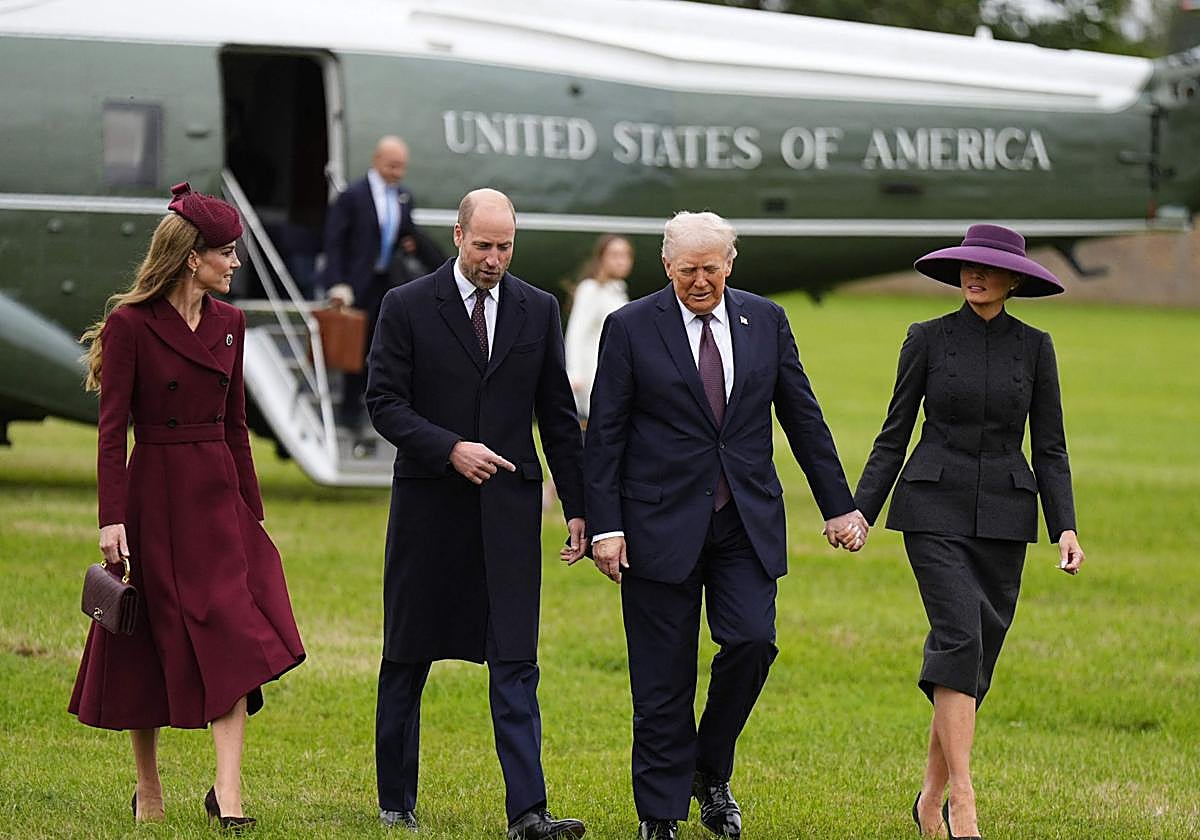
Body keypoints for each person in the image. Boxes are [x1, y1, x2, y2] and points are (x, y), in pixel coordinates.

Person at [583, 211, 868, 840]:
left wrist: (839, 505)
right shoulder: (630, 327)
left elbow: (803, 416)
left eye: (711, 268)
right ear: (667, 266)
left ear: (730, 263)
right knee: (662, 678)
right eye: (688, 270)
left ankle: (709, 772)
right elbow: (603, 434)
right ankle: (659, 816)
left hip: (744, 520)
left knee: (750, 642)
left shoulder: (764, 320)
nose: (700, 281)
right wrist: (605, 526)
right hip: (657, 525)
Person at [70, 182, 305, 829]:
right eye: (225, 253)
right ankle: (148, 788)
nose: (234, 264)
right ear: (189, 255)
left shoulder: (233, 324)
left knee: (232, 631)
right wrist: (110, 517)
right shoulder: (129, 326)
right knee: (141, 639)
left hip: (215, 499)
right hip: (151, 497)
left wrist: (249, 509)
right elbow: (112, 429)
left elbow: (234, 425)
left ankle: (228, 795)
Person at [366, 188, 588, 839]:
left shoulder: (538, 309)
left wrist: (579, 507)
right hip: (429, 511)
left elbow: (556, 416)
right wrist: (449, 448)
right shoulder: (406, 306)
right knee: (408, 655)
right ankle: (395, 800)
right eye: (484, 244)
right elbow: (383, 401)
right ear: (459, 236)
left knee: (516, 658)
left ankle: (529, 812)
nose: (495, 258)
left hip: (509, 515)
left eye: (505, 246)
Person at [853, 224, 1085, 840]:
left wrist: (1065, 526)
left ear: (1013, 280)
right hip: (932, 508)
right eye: (966, 267)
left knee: (974, 656)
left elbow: (1052, 447)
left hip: (1007, 518)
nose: (973, 276)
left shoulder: (1037, 348)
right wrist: (860, 511)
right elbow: (893, 432)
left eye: (986, 269)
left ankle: (928, 799)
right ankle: (964, 799)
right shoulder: (926, 339)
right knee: (958, 636)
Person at [323, 135, 444, 430]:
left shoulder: (403, 196)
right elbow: (335, 241)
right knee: (355, 347)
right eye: (392, 165)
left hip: (386, 283)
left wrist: (442, 266)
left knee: (381, 346)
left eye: (402, 167)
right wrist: (338, 283)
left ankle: (374, 407)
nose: (397, 172)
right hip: (357, 284)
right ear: (376, 161)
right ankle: (349, 412)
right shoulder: (353, 196)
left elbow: (408, 232)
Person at [564, 234, 633, 422]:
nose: (622, 261)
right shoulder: (590, 289)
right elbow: (576, 332)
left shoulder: (618, 289)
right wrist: (574, 373)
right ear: (601, 257)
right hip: (591, 375)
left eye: (626, 255)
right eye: (615, 255)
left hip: (615, 374)